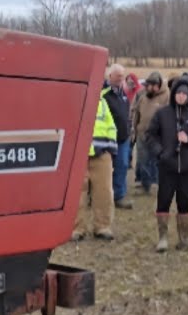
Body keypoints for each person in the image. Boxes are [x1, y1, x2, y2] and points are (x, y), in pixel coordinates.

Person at [146, 75, 188, 252]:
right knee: (164, 200)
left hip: (187, 168)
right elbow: (150, 136)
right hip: (167, 166)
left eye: (184, 94)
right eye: (178, 93)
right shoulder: (162, 114)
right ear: (174, 95)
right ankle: (163, 238)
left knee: (184, 202)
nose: (181, 96)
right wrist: (160, 153)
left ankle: (184, 238)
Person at [71, 78, 119, 241]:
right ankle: (76, 228)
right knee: (77, 193)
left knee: (104, 192)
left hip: (101, 153)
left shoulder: (102, 103)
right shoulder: (73, 101)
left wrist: (111, 150)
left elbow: (111, 127)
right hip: (78, 155)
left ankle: (102, 227)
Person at [131, 72, 169, 196]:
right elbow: (136, 113)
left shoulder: (166, 96)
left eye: (153, 85)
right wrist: (135, 130)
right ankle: (145, 185)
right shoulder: (143, 96)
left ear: (159, 85)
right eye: (148, 85)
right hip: (142, 134)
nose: (149, 88)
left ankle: (157, 184)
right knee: (143, 161)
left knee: (156, 161)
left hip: (157, 136)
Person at [103, 65, 135, 210]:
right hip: (107, 138)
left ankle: (119, 196)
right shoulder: (103, 94)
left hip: (123, 138)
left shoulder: (123, 94)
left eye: (122, 76)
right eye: (118, 76)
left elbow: (126, 114)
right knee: (105, 168)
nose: (121, 78)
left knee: (122, 165)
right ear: (110, 77)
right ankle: (102, 196)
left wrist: (129, 129)